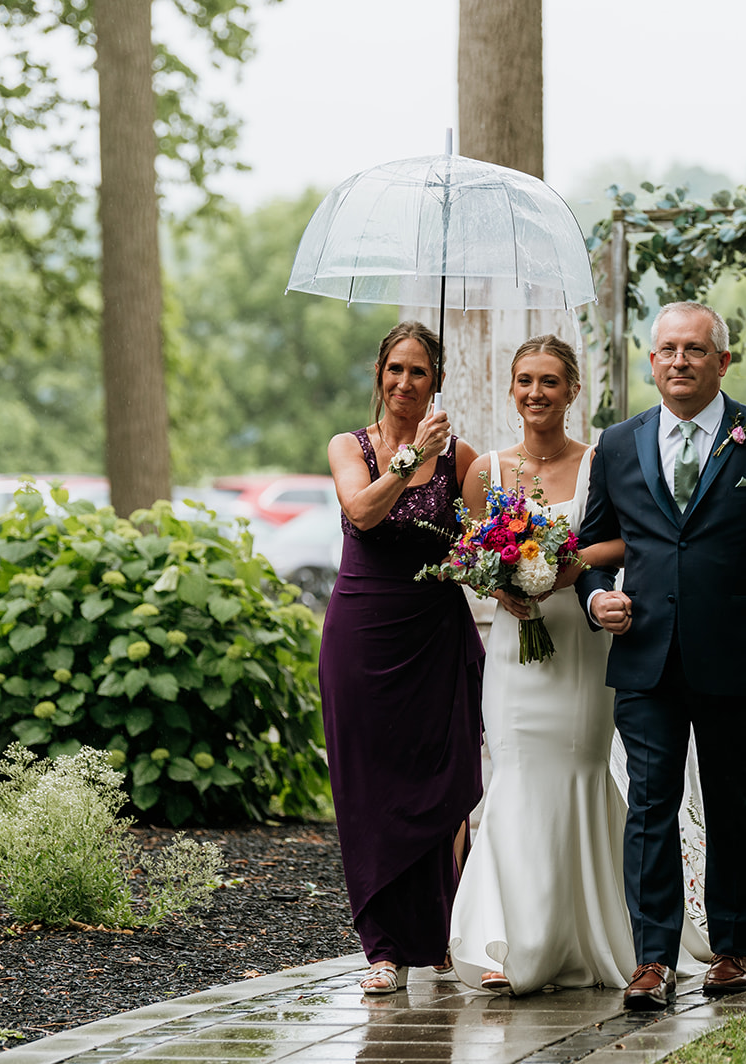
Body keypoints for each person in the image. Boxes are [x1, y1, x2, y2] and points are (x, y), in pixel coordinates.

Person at [576, 300, 746, 1010]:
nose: (678, 361)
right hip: (646, 657)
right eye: (666, 350)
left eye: (694, 349)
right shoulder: (620, 443)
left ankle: (732, 948)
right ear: (650, 360)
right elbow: (592, 553)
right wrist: (597, 599)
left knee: (731, 801)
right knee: (650, 807)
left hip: (734, 653)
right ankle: (653, 959)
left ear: (723, 361)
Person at [448, 335, 711, 996]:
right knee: (513, 776)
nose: (536, 393)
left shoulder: (604, 461)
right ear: (513, 390)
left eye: (550, 382)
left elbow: (632, 536)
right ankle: (510, 939)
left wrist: (568, 567)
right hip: (516, 645)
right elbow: (468, 553)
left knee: (582, 771)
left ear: (572, 391)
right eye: (525, 381)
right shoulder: (486, 471)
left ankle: (602, 933)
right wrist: (498, 583)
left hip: (583, 639)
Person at [320, 321, 483, 995]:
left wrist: (516, 570)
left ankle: (441, 932)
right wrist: (409, 458)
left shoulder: (460, 457)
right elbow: (361, 512)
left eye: (418, 372)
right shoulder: (349, 447)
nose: (404, 383)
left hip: (435, 636)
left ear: (435, 381)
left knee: (441, 786)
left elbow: (484, 547)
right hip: (363, 631)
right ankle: (382, 948)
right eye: (394, 369)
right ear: (378, 375)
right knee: (370, 787)